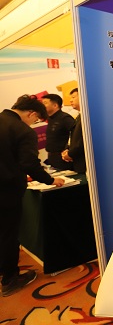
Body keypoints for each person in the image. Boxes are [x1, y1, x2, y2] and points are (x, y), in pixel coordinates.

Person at [0, 95, 65, 297]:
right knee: (8, 234)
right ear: (32, 113)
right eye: (36, 120)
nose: (34, 123)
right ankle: (10, 279)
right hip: (7, 191)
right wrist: (50, 180)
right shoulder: (22, 130)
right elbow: (29, 163)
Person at [42, 93, 75, 170]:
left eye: (45, 103)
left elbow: (75, 135)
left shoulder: (65, 118)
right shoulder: (50, 118)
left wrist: (69, 150)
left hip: (63, 158)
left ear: (55, 105)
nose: (42, 106)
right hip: (52, 157)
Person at [61, 88, 86, 174]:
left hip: (86, 162)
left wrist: (70, 154)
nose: (70, 100)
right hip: (77, 161)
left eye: (73, 97)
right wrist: (67, 150)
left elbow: (83, 140)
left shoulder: (88, 116)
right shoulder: (79, 116)